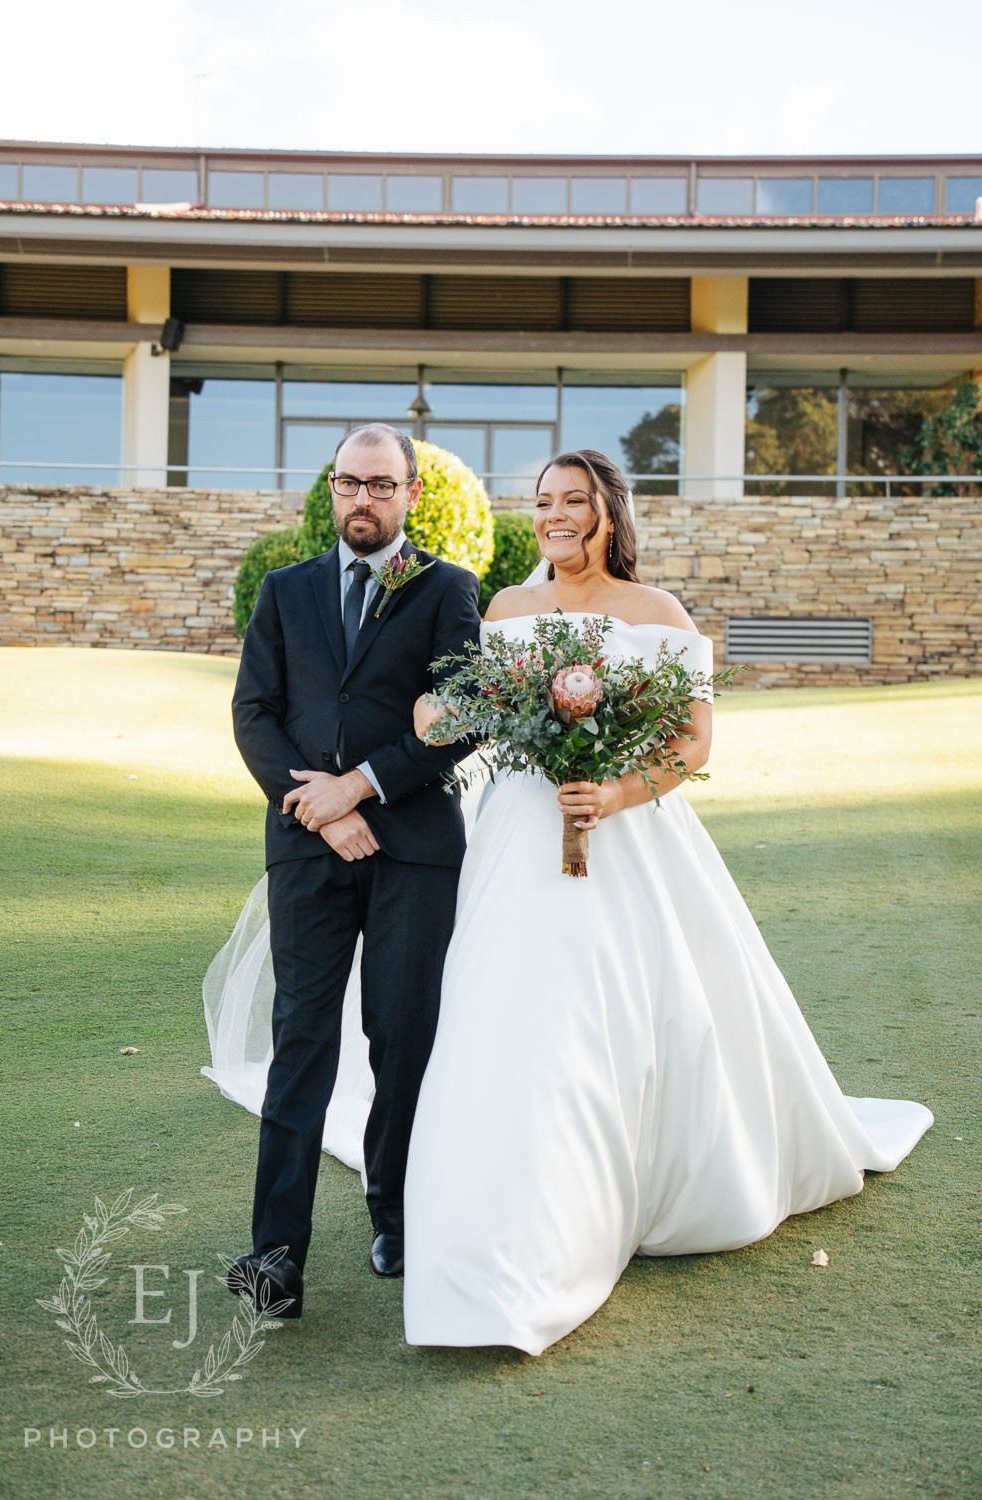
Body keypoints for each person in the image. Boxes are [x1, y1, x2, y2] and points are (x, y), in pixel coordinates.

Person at [206, 447, 933, 1354]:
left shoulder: (601, 607)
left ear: (607, 511)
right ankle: (289, 1252)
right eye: (544, 501)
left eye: (573, 501)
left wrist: (616, 792)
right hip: (476, 836)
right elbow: (407, 708)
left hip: (577, 839)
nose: (555, 515)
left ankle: (428, 1214)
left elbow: (684, 739)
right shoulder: (490, 606)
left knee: (460, 1030)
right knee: (399, 1029)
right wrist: (338, 793)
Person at [224, 422, 480, 1317]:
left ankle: (399, 1218)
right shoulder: (284, 591)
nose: (361, 500)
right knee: (302, 1040)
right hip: (308, 850)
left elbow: (465, 715)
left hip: (413, 849)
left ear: (410, 494)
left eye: (379, 485)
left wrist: (361, 790)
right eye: (347, 484)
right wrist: (321, 813)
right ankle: (275, 1255)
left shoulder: (447, 589)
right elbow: (254, 714)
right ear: (331, 491)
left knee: (401, 1037)